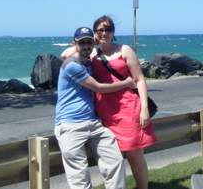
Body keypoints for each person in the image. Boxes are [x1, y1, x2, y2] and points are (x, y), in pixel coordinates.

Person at [62, 17, 157, 189]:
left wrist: (144, 108)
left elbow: (140, 79)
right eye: (99, 30)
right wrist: (91, 41)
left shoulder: (124, 50)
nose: (104, 33)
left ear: (113, 32)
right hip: (106, 112)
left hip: (128, 109)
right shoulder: (92, 53)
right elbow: (65, 55)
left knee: (135, 158)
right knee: (114, 158)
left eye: (108, 30)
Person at [55, 26, 137, 189]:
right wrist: (126, 83)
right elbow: (98, 88)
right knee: (79, 176)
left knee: (115, 161)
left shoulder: (90, 62)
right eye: (82, 43)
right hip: (70, 125)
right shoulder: (72, 65)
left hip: (94, 123)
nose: (86, 46)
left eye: (89, 42)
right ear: (75, 44)